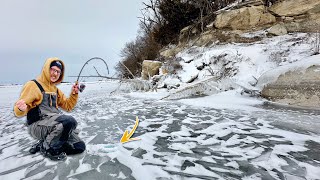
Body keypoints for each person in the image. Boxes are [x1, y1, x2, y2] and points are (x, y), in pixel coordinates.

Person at [14, 57, 86, 161]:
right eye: (53, 69)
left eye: (58, 71)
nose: (55, 73)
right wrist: (20, 109)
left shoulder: (55, 90)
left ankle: (45, 143)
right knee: (69, 122)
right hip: (37, 126)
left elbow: (68, 106)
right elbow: (19, 111)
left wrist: (74, 93)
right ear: (46, 69)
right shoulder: (33, 85)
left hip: (53, 124)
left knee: (79, 147)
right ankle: (46, 147)